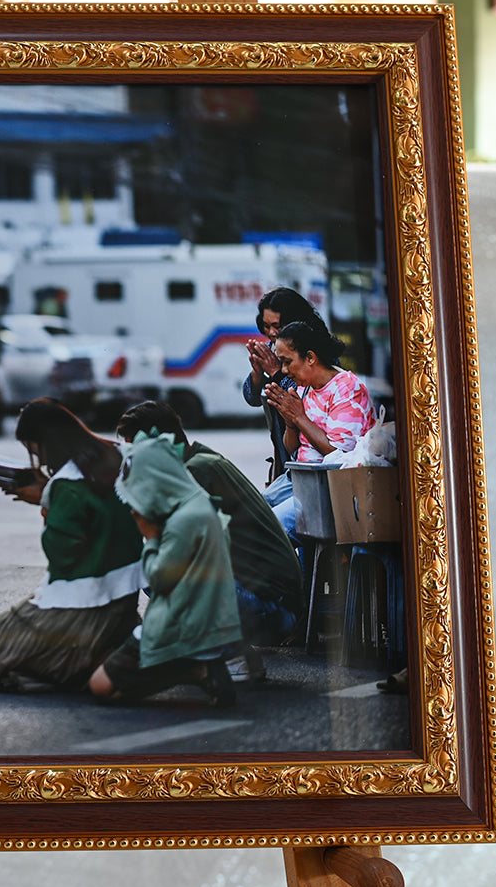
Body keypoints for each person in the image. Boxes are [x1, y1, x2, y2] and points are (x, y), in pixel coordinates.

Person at [0, 399, 144, 692]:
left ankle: (67, 669)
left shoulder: (66, 488)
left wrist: (46, 502)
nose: (35, 458)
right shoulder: (118, 457)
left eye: (33, 450)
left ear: (46, 444)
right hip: (124, 601)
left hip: (81, 604)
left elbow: (62, 556)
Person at [116, 400, 302, 675]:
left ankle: (227, 657)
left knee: (158, 574)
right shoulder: (198, 458)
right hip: (268, 600)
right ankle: (232, 652)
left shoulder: (195, 473)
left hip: (272, 609)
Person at [88, 431, 242, 706]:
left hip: (182, 627)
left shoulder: (183, 520)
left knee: (99, 686)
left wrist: (150, 538)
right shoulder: (196, 503)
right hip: (208, 620)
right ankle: (192, 668)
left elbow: (158, 578)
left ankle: (191, 669)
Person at [263, 321, 378, 539]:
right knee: (249, 513)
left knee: (271, 526)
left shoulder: (347, 388)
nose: (285, 370)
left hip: (330, 485)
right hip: (301, 478)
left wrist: (299, 417)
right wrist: (290, 422)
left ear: (310, 358)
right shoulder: (303, 388)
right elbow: (294, 449)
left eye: (287, 362)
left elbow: (338, 455)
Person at [241, 287, 330, 496]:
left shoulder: (317, 351)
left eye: (277, 326)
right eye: (266, 326)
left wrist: (274, 371)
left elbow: (300, 395)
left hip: (312, 456)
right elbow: (252, 397)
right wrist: (257, 372)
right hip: (284, 453)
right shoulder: (275, 348)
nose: (271, 333)